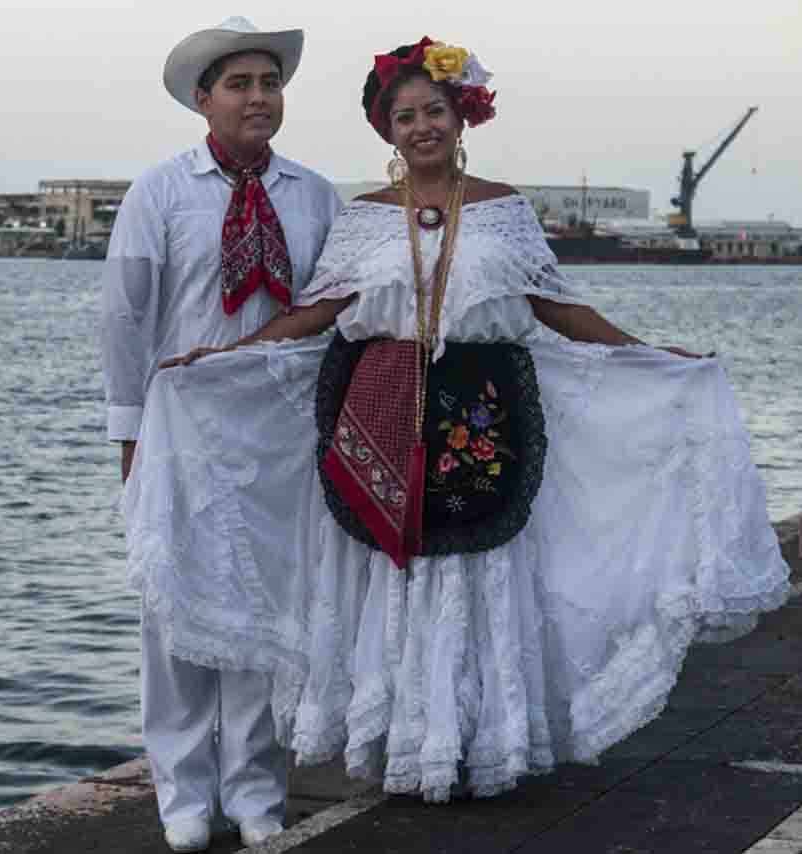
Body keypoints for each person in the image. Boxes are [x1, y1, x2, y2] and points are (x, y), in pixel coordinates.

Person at [150, 36, 791, 803]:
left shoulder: (506, 210)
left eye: (434, 111)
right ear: (386, 129)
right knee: (397, 575)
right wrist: (229, 360)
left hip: (484, 413)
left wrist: (647, 352)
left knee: (476, 571)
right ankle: (405, 747)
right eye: (404, 115)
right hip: (380, 407)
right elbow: (319, 310)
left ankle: (481, 738)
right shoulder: (361, 219)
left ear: (462, 117)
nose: (420, 127)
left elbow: (556, 305)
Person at [101, 16, 342, 851]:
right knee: (174, 615)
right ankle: (182, 797)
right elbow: (126, 322)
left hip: (281, 437)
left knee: (265, 621)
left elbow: (332, 315)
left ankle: (253, 792)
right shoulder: (159, 192)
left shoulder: (314, 196)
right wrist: (128, 438)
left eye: (269, 83)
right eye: (239, 85)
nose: (259, 99)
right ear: (203, 101)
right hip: (182, 433)